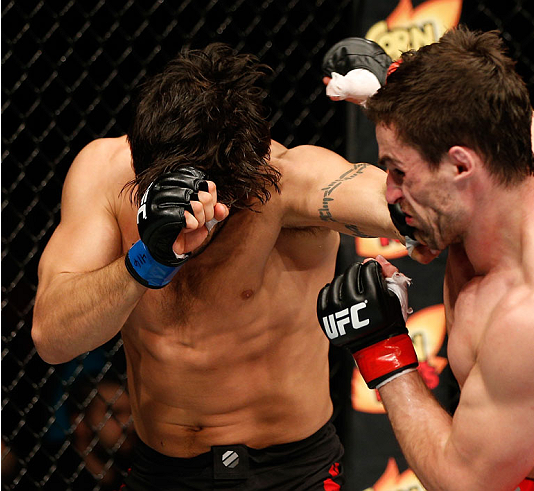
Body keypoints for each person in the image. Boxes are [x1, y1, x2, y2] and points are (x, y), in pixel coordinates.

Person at [31, 42, 404, 490]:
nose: (212, 209)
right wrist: (146, 261)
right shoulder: (106, 175)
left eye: (227, 194)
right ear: (144, 165)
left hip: (292, 471)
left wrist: (404, 115)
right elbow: (52, 337)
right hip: (163, 471)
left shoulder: (290, 180)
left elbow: (409, 210)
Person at [317, 27, 534, 491]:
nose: (389, 192)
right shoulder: (520, 159)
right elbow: (496, 103)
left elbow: (464, 481)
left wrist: (382, 349)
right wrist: (395, 79)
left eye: (398, 171)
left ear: (461, 166)